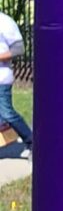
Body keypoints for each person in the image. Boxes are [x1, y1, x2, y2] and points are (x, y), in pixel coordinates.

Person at [0, 10, 32, 160]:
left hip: (1, 78)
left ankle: (32, 142)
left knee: (7, 113)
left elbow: (19, 49)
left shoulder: (5, 22)